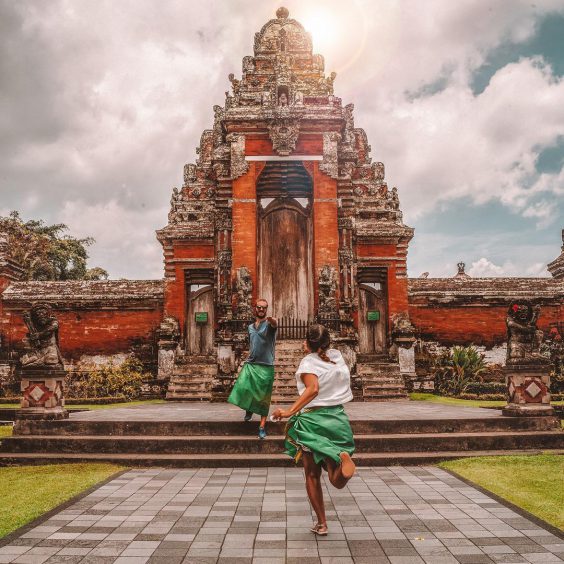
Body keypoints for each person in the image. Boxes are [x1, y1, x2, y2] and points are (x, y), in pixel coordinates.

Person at [272, 324, 355, 536]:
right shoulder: (337, 357)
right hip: (337, 419)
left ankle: (322, 523)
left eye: (304, 340)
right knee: (335, 478)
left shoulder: (308, 361)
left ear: (309, 343)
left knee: (312, 473)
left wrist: (290, 411)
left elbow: (313, 389)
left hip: (314, 421)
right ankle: (342, 460)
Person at [228, 299, 277, 439]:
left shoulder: (269, 325)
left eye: (264, 307)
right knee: (242, 388)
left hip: (266, 366)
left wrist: (273, 320)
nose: (261, 309)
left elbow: (275, 324)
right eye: (259, 307)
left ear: (266, 309)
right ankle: (249, 409)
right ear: (255, 308)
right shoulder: (250, 327)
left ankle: (261, 427)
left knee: (263, 399)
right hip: (251, 364)